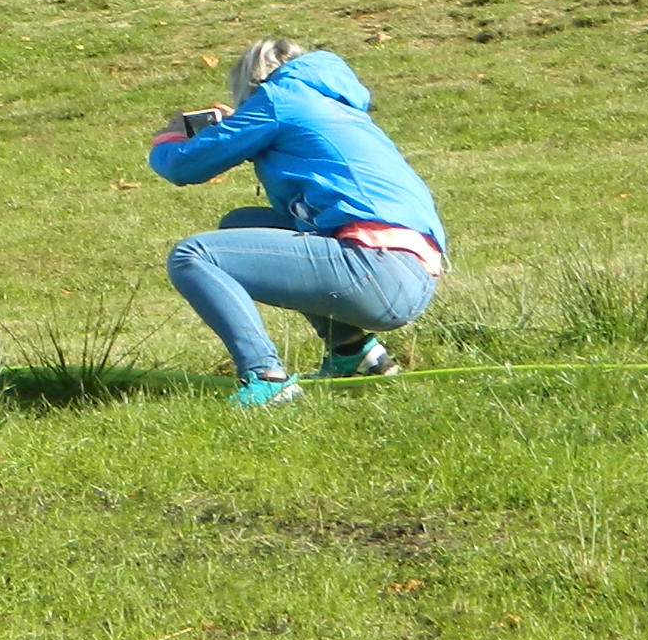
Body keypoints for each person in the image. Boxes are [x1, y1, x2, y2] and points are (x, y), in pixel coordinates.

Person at [148, 38, 449, 409]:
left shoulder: (278, 99)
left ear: (251, 82)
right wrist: (242, 123)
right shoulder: (329, 102)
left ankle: (266, 378)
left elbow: (182, 166)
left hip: (375, 268)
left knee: (192, 256)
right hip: (407, 271)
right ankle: (353, 353)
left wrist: (168, 138)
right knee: (240, 223)